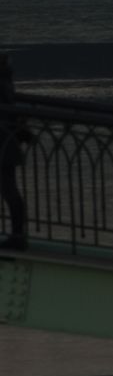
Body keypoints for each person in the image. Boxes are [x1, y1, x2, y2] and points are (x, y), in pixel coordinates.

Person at [0, 54, 28, 252]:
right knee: (10, 189)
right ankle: (18, 234)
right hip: (6, 140)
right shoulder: (5, 80)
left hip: (2, 141)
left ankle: (17, 236)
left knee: (9, 189)